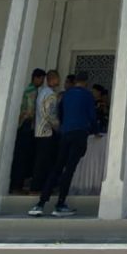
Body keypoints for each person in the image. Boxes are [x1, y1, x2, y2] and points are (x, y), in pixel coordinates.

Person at [28, 76, 97, 217]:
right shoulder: (87, 95)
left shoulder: (66, 95)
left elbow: (60, 114)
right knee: (69, 169)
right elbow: (92, 116)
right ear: (85, 83)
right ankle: (60, 204)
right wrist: (95, 130)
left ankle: (40, 204)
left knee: (57, 167)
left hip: (65, 133)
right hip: (79, 133)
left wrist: (63, 128)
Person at [10, 68, 46, 194]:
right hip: (26, 126)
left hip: (24, 126)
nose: (42, 82)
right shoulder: (32, 91)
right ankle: (16, 186)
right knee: (22, 157)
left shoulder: (30, 90)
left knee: (23, 156)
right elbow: (30, 112)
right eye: (41, 79)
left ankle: (17, 184)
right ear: (36, 78)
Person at [29, 70, 62, 193]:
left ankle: (37, 186)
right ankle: (39, 187)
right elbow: (50, 114)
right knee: (45, 161)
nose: (59, 81)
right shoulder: (50, 94)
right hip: (47, 131)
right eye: (57, 78)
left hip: (39, 130)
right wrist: (57, 127)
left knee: (40, 160)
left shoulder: (42, 92)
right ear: (53, 79)